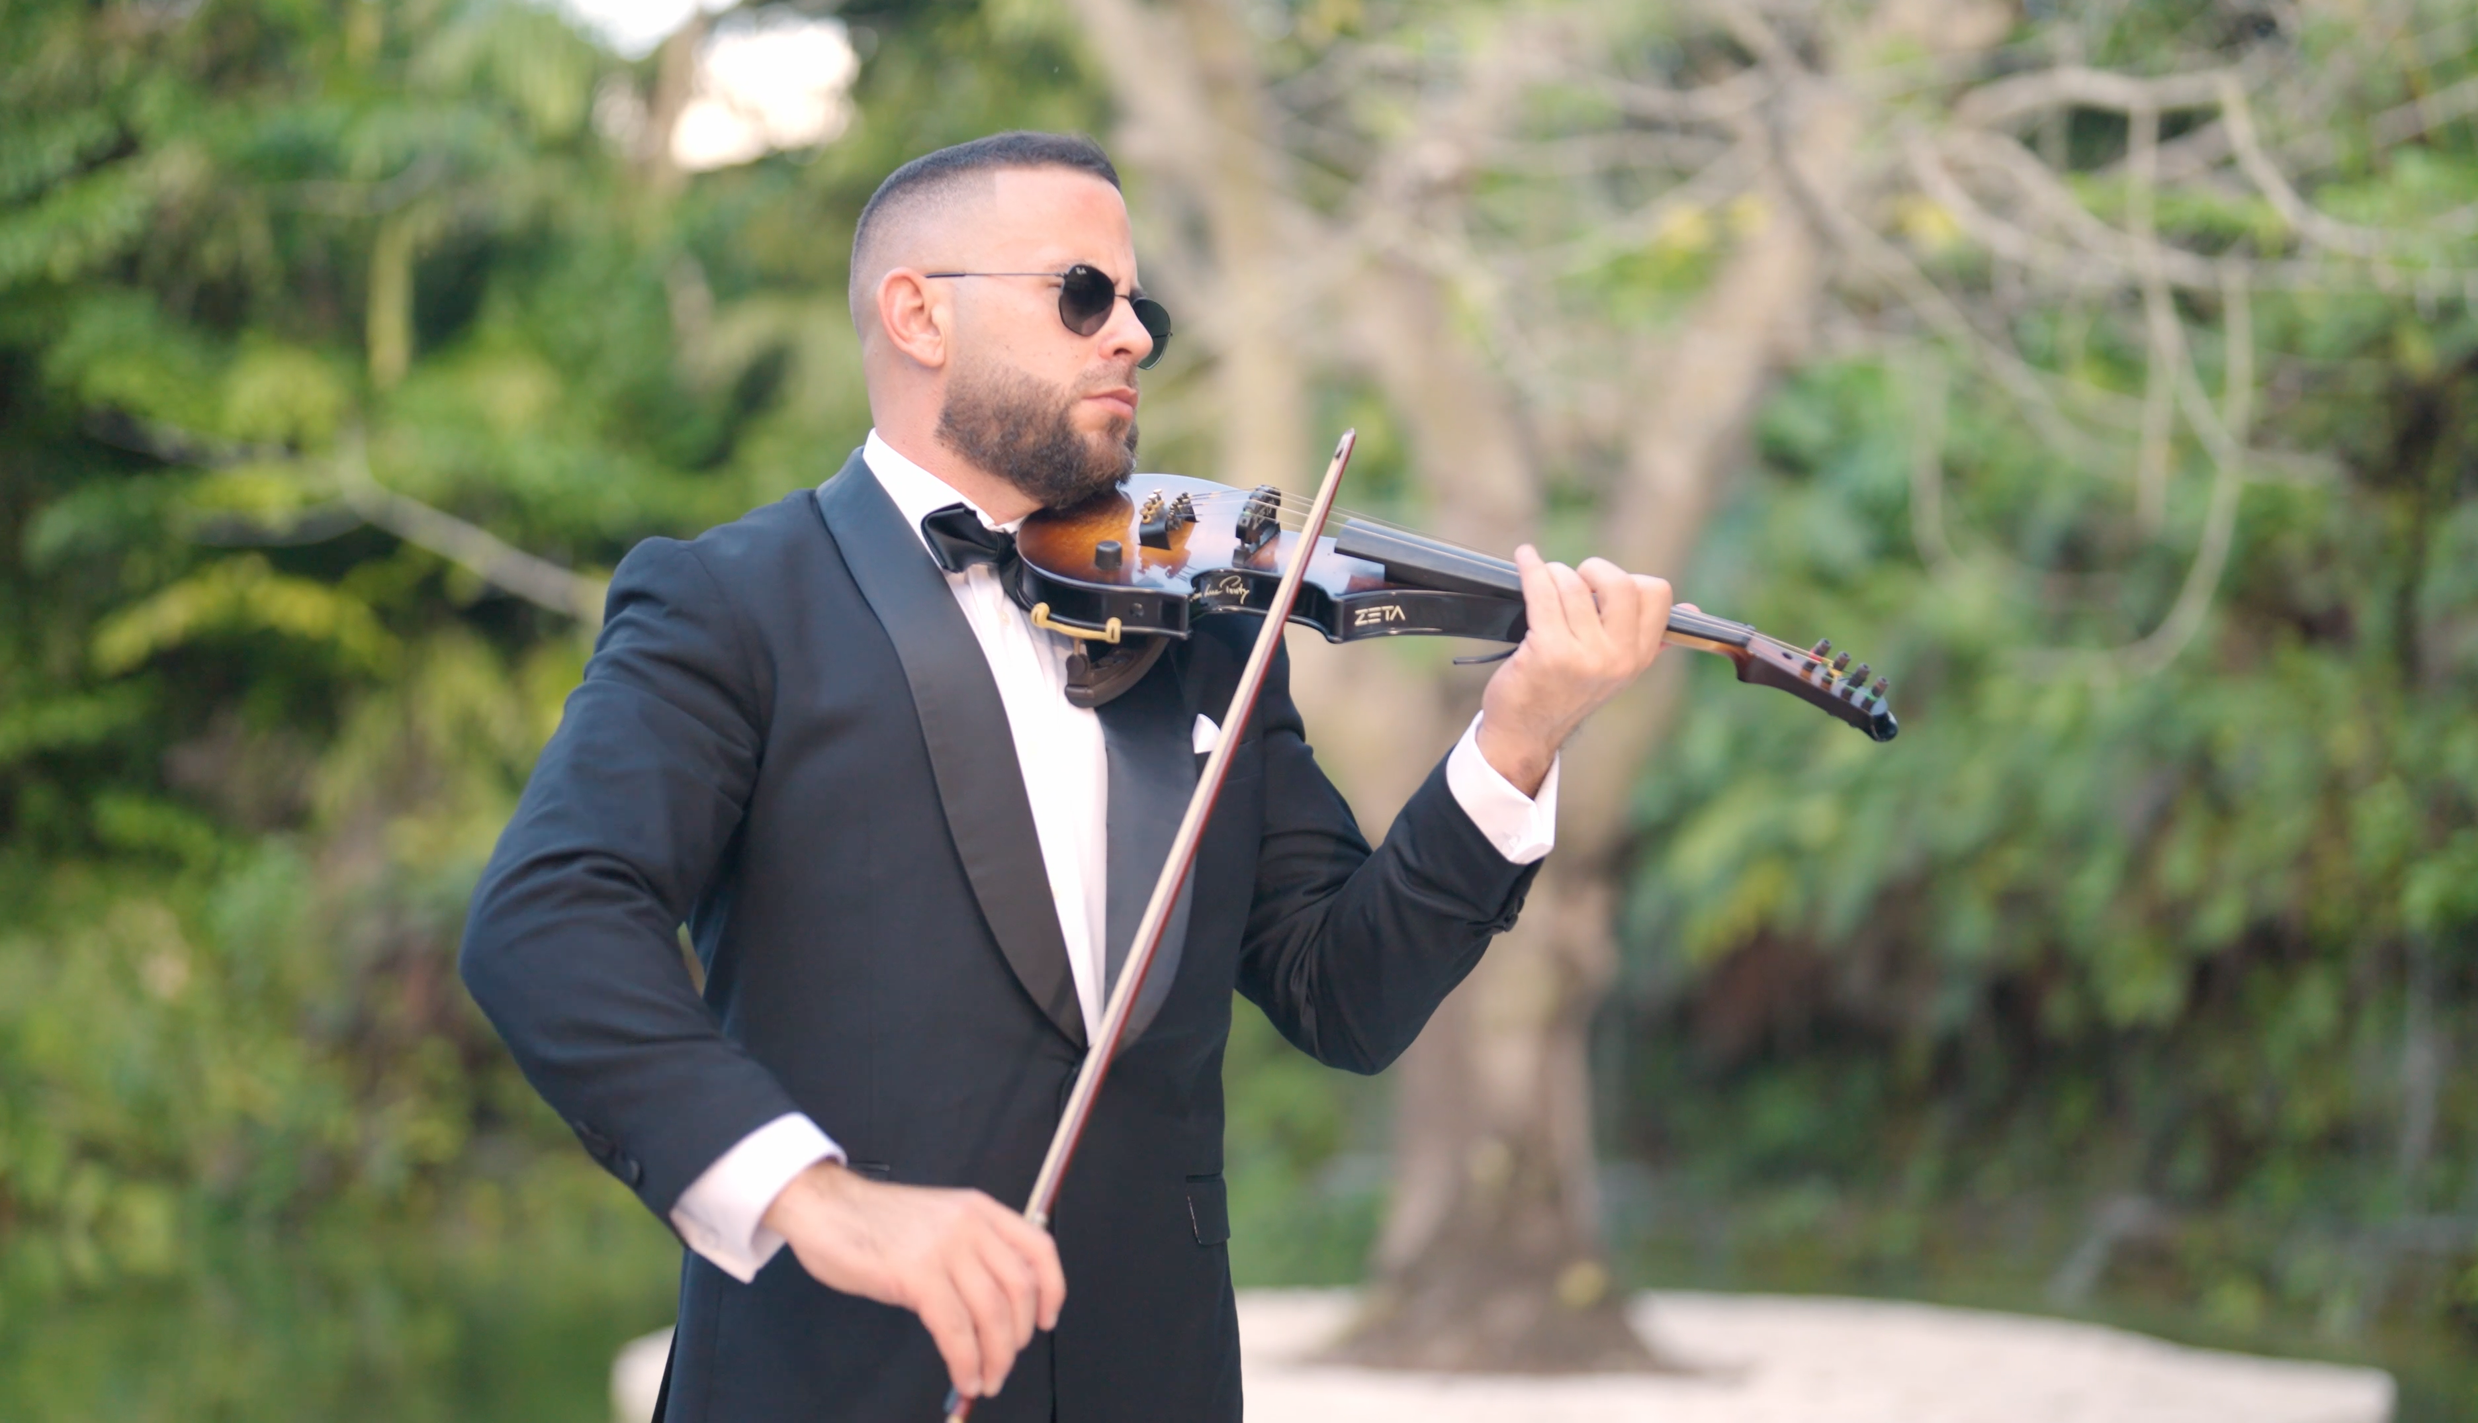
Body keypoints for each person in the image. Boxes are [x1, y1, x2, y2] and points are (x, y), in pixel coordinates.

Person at [458, 131, 1672, 1423]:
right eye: (1083, 295)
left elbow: (1346, 993)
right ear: (918, 315)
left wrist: (1519, 735)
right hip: (829, 1383)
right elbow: (549, 920)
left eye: (1141, 306)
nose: (1133, 335)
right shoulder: (733, 601)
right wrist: (815, 1195)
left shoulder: (1206, 635)